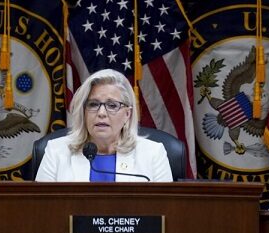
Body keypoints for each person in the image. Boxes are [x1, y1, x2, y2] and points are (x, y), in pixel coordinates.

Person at [35, 69, 172, 182]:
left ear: (127, 114)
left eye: (112, 105)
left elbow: (165, 211)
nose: (101, 113)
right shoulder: (56, 151)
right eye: (93, 104)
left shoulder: (153, 153)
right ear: (84, 112)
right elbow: (42, 210)